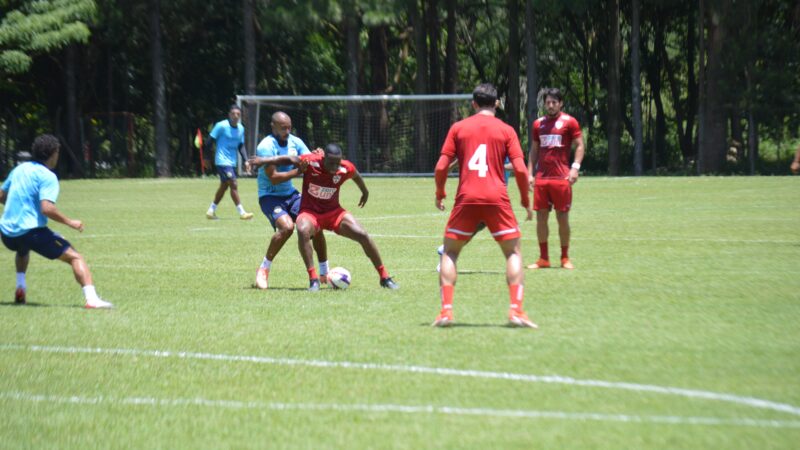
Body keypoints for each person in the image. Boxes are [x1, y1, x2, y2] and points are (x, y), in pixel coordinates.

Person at [432, 83, 534, 328]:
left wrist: (440, 193)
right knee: (513, 252)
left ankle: (446, 312)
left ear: (474, 104)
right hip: (497, 199)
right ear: (496, 103)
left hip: (466, 198)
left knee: (451, 252)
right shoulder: (507, 130)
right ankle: (516, 311)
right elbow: (520, 169)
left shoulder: (458, 128)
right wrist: (525, 201)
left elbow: (441, 166)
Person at [249, 144, 399, 292]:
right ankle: (314, 280)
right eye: (331, 162)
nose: (335, 167)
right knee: (302, 229)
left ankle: (384, 277)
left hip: (334, 213)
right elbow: (289, 159)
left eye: (337, 162)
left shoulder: (344, 167)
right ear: (323, 158)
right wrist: (263, 161)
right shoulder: (312, 162)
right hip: (310, 213)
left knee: (363, 234)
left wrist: (365, 192)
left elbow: (356, 175)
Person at [0, 134, 113, 308]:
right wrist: (71, 222)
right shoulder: (48, 176)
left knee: (22, 249)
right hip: (31, 232)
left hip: (7, 233)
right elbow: (47, 209)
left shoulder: (19, 169)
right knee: (75, 257)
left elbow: (1, 195)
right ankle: (92, 299)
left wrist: (18, 205)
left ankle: (20, 287)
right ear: (53, 154)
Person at [253, 111, 329, 289]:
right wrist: (298, 172)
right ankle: (264, 269)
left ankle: (325, 271)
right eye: (283, 128)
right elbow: (274, 177)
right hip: (270, 196)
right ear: (273, 127)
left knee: (314, 224)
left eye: (289, 127)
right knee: (287, 227)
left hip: (291, 195)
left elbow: (310, 160)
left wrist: (318, 155)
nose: (287, 131)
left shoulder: (295, 142)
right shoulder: (265, 146)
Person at [527, 87, 584, 270]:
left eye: (554, 102)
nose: (550, 106)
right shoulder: (538, 124)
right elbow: (534, 150)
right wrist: (529, 173)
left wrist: (575, 168)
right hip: (542, 178)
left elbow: (580, 145)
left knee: (562, 218)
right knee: (541, 218)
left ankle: (565, 258)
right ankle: (543, 259)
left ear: (561, 103)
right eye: (548, 102)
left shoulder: (570, 122)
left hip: (562, 178)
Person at [205, 105, 254, 220]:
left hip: (232, 162)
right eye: (233, 114)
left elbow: (241, 146)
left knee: (224, 187)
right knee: (233, 183)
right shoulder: (221, 126)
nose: (235, 116)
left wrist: (246, 160)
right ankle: (242, 213)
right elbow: (208, 141)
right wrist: (206, 158)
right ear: (229, 114)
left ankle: (211, 211)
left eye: (238, 114)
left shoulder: (241, 128)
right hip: (222, 161)